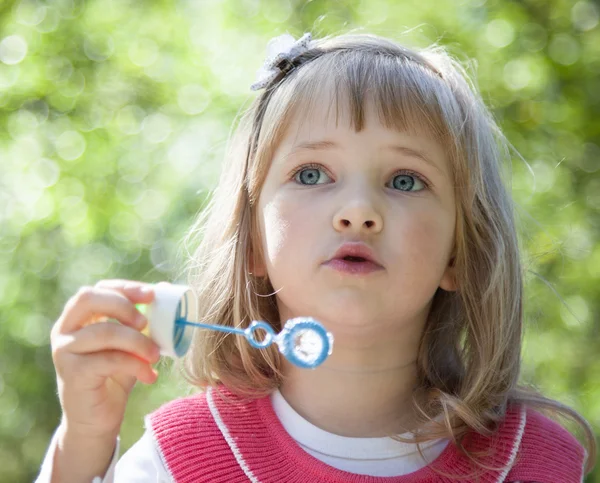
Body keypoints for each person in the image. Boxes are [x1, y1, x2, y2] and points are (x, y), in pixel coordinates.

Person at [36, 31, 596, 482]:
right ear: (251, 239)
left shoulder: (540, 462)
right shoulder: (181, 459)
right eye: (311, 174)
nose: (357, 210)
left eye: (405, 179)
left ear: (461, 251)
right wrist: (82, 445)